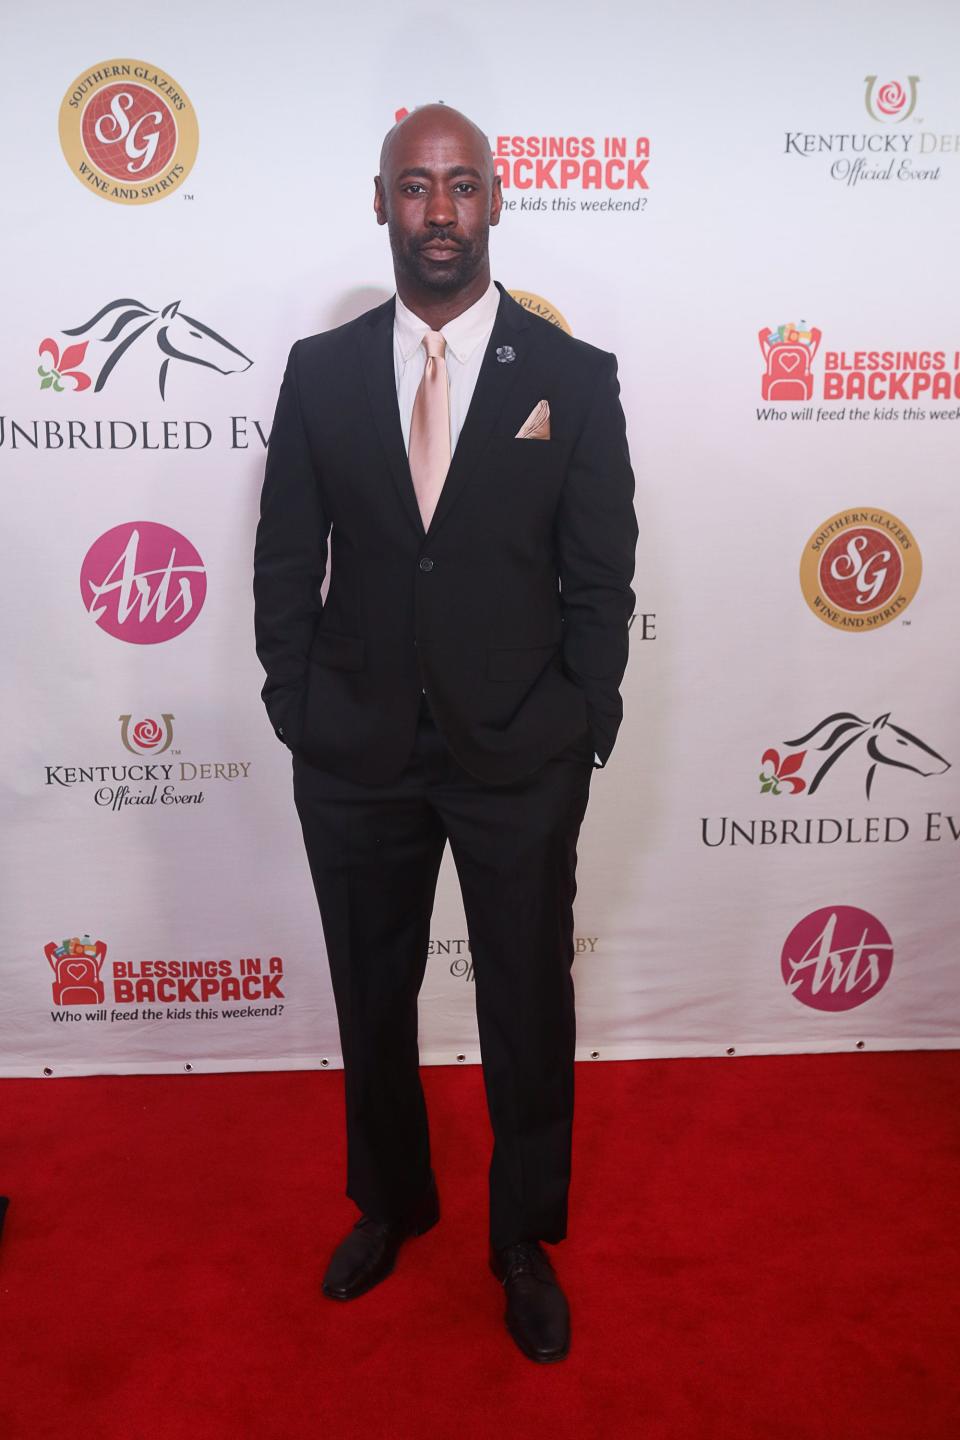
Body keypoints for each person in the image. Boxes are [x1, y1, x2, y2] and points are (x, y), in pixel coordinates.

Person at [253, 102, 637, 1364]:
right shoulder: (321, 373)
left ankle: (520, 1238)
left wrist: (581, 717)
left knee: (528, 1002)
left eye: (461, 185)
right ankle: (392, 1203)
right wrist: (295, 706)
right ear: (381, 204)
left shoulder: (569, 378)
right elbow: (282, 563)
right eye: (414, 188)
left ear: (494, 201)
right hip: (355, 752)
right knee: (372, 997)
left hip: (518, 752)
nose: (438, 211)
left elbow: (600, 575)